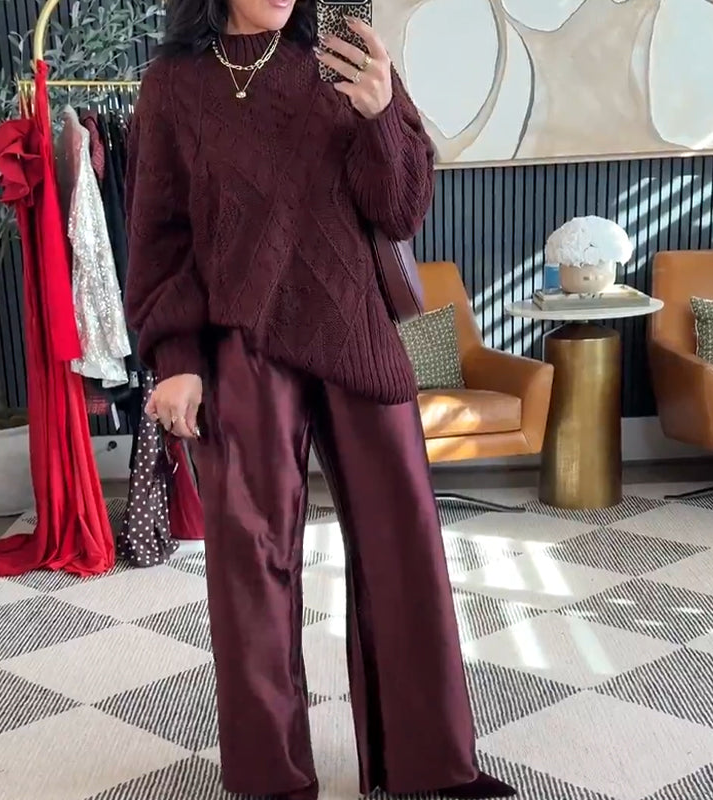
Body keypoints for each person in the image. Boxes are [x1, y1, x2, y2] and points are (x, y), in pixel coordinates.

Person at [125, 0, 517, 797]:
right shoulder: (172, 86)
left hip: (357, 333)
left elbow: (401, 210)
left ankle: (433, 767)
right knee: (251, 562)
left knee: (405, 546)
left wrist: (381, 114)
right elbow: (159, 236)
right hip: (241, 344)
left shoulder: (347, 58)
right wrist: (176, 359)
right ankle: (270, 778)